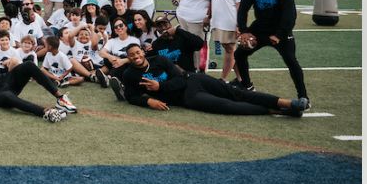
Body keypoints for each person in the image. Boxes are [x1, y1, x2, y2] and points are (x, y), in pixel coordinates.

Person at [119, 45, 309, 116]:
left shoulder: (160, 60)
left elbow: (181, 78)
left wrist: (160, 86)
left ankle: (287, 102)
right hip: (187, 98)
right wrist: (148, 100)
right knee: (226, 105)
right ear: (128, 58)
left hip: (194, 80)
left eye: (138, 52)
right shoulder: (130, 75)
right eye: (131, 55)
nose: (136, 56)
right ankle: (275, 110)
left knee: (238, 93)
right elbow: (130, 96)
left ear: (143, 52)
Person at [235, 0, 308, 101]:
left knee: (291, 61)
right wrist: (244, 31)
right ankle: (247, 86)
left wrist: (280, 34)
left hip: (280, 30)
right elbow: (243, 8)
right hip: (261, 28)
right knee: (239, 55)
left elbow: (290, 12)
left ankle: (303, 96)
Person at [210, 0, 246, 79]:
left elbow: (240, 5)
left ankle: (222, 79)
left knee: (230, 50)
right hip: (217, 22)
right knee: (230, 50)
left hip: (230, 22)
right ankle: (241, 79)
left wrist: (239, 24)